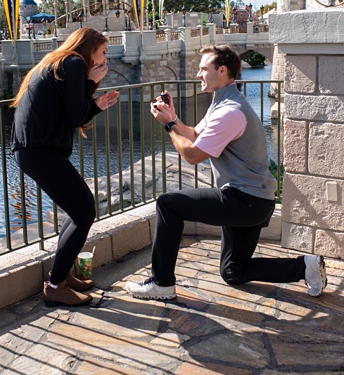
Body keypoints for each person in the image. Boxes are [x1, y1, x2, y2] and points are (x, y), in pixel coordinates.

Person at [126, 45, 327, 300]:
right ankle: (306, 266)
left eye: (203, 69)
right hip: (252, 200)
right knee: (233, 271)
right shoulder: (223, 102)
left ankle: (161, 283)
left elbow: (193, 155)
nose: (198, 74)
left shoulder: (230, 111)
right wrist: (174, 119)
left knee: (168, 205)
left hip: (244, 201)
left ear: (222, 70)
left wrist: (168, 126)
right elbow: (196, 136)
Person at [11, 27, 120, 307]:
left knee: (78, 210)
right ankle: (56, 285)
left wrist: (95, 103)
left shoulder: (57, 62)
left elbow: (73, 112)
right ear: (90, 48)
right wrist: (90, 82)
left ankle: (61, 276)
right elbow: (74, 116)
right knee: (84, 211)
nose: (104, 58)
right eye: (103, 51)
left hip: (34, 149)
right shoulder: (73, 63)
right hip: (39, 150)